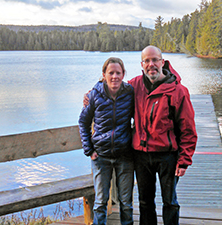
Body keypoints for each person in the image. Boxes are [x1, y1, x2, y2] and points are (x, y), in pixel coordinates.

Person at [128, 45, 198, 225]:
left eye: (155, 60)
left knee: (170, 202)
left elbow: (188, 129)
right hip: (141, 156)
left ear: (162, 61)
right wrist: (92, 95)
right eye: (147, 61)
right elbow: (111, 89)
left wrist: (184, 160)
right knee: (145, 202)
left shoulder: (177, 91)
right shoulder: (133, 86)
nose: (151, 64)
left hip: (168, 156)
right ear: (142, 64)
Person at [78, 57, 134, 225]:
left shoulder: (130, 93)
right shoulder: (94, 95)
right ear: (104, 75)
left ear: (124, 74)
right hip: (101, 157)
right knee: (101, 202)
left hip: (124, 156)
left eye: (118, 73)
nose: (114, 76)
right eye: (111, 73)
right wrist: (89, 150)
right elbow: (83, 122)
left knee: (126, 203)